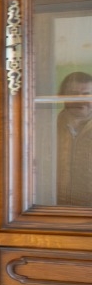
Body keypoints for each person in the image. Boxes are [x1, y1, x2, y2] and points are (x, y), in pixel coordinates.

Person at [57, 71, 92, 206]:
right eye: (73, 94)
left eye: (86, 94)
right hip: (51, 208)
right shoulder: (46, 127)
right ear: (62, 97)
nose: (80, 100)